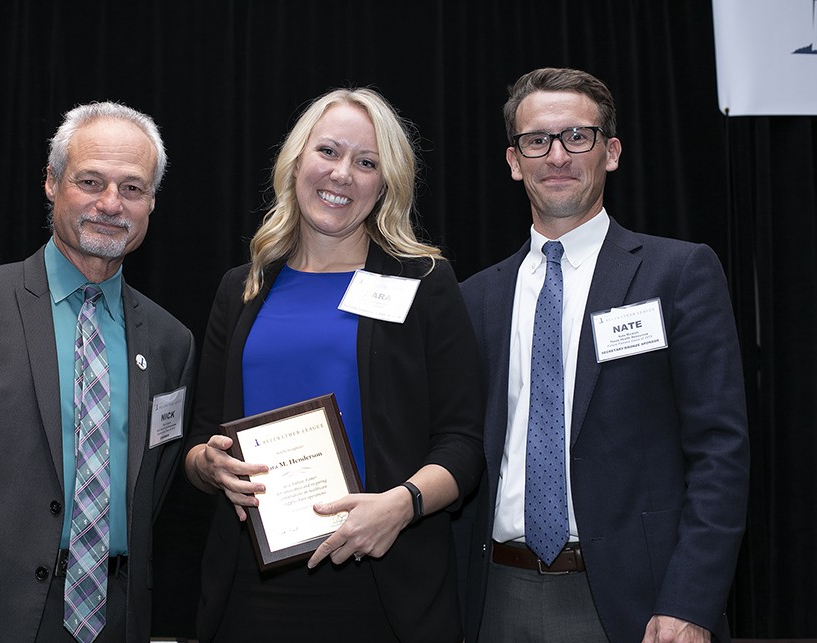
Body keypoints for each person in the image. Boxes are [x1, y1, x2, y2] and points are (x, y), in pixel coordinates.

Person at [0, 101, 195, 642]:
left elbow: (153, 494)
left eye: (132, 189)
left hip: (112, 621)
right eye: (90, 181)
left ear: (152, 202)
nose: (110, 204)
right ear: (51, 183)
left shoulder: (171, 342)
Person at [456, 67, 750, 642]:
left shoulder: (678, 272)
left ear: (610, 152)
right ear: (514, 161)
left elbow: (722, 452)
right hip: (493, 598)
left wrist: (690, 603)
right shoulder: (475, 297)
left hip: (635, 605)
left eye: (578, 137)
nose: (557, 156)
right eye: (537, 140)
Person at [184, 88, 484, 643]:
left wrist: (402, 506)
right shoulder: (242, 289)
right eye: (328, 151)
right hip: (250, 589)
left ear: (384, 182)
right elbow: (200, 443)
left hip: (383, 586)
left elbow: (463, 443)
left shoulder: (422, 283)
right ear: (296, 162)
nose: (342, 174)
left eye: (366, 162)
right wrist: (211, 465)